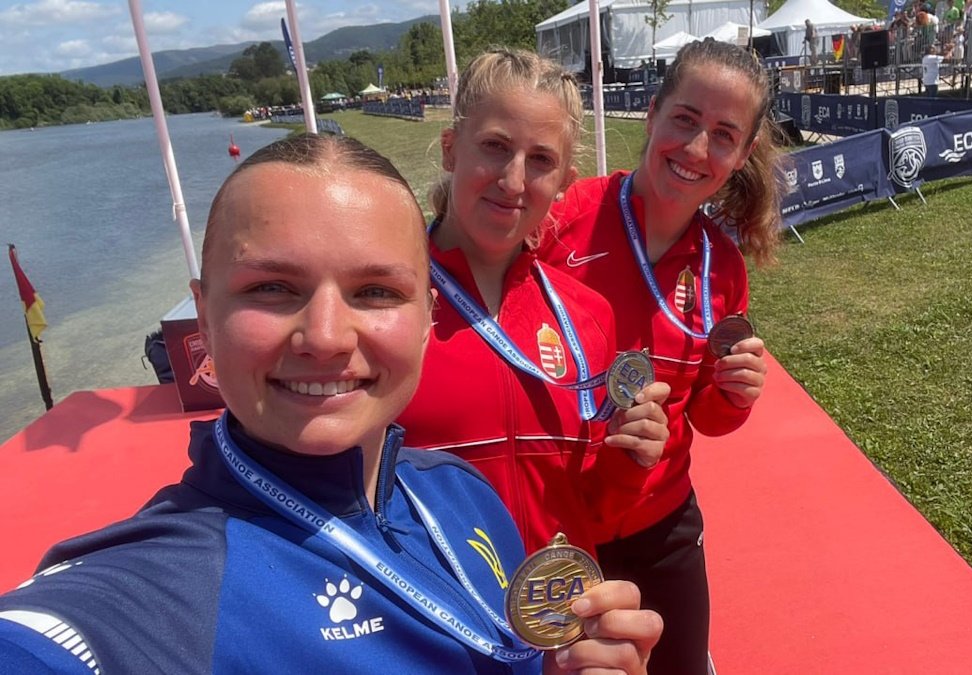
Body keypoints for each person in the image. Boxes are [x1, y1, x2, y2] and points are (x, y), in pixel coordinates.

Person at [0, 134, 661, 674]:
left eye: (375, 292)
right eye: (272, 287)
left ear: (427, 317)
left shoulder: (463, 493)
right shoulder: (158, 593)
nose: (324, 336)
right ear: (203, 316)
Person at [538, 38, 777, 675]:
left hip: (662, 523)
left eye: (724, 135)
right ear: (651, 113)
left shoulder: (721, 266)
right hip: (555, 525)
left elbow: (706, 417)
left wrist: (734, 394)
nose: (697, 148)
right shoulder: (563, 219)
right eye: (685, 119)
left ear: (744, 153)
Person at [397, 47, 671, 557]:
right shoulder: (385, 306)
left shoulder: (588, 316)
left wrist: (631, 457)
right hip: (430, 604)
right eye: (495, 146)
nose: (513, 180)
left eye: (541, 159)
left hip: (560, 602)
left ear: (565, 181)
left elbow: (592, 511)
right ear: (452, 150)